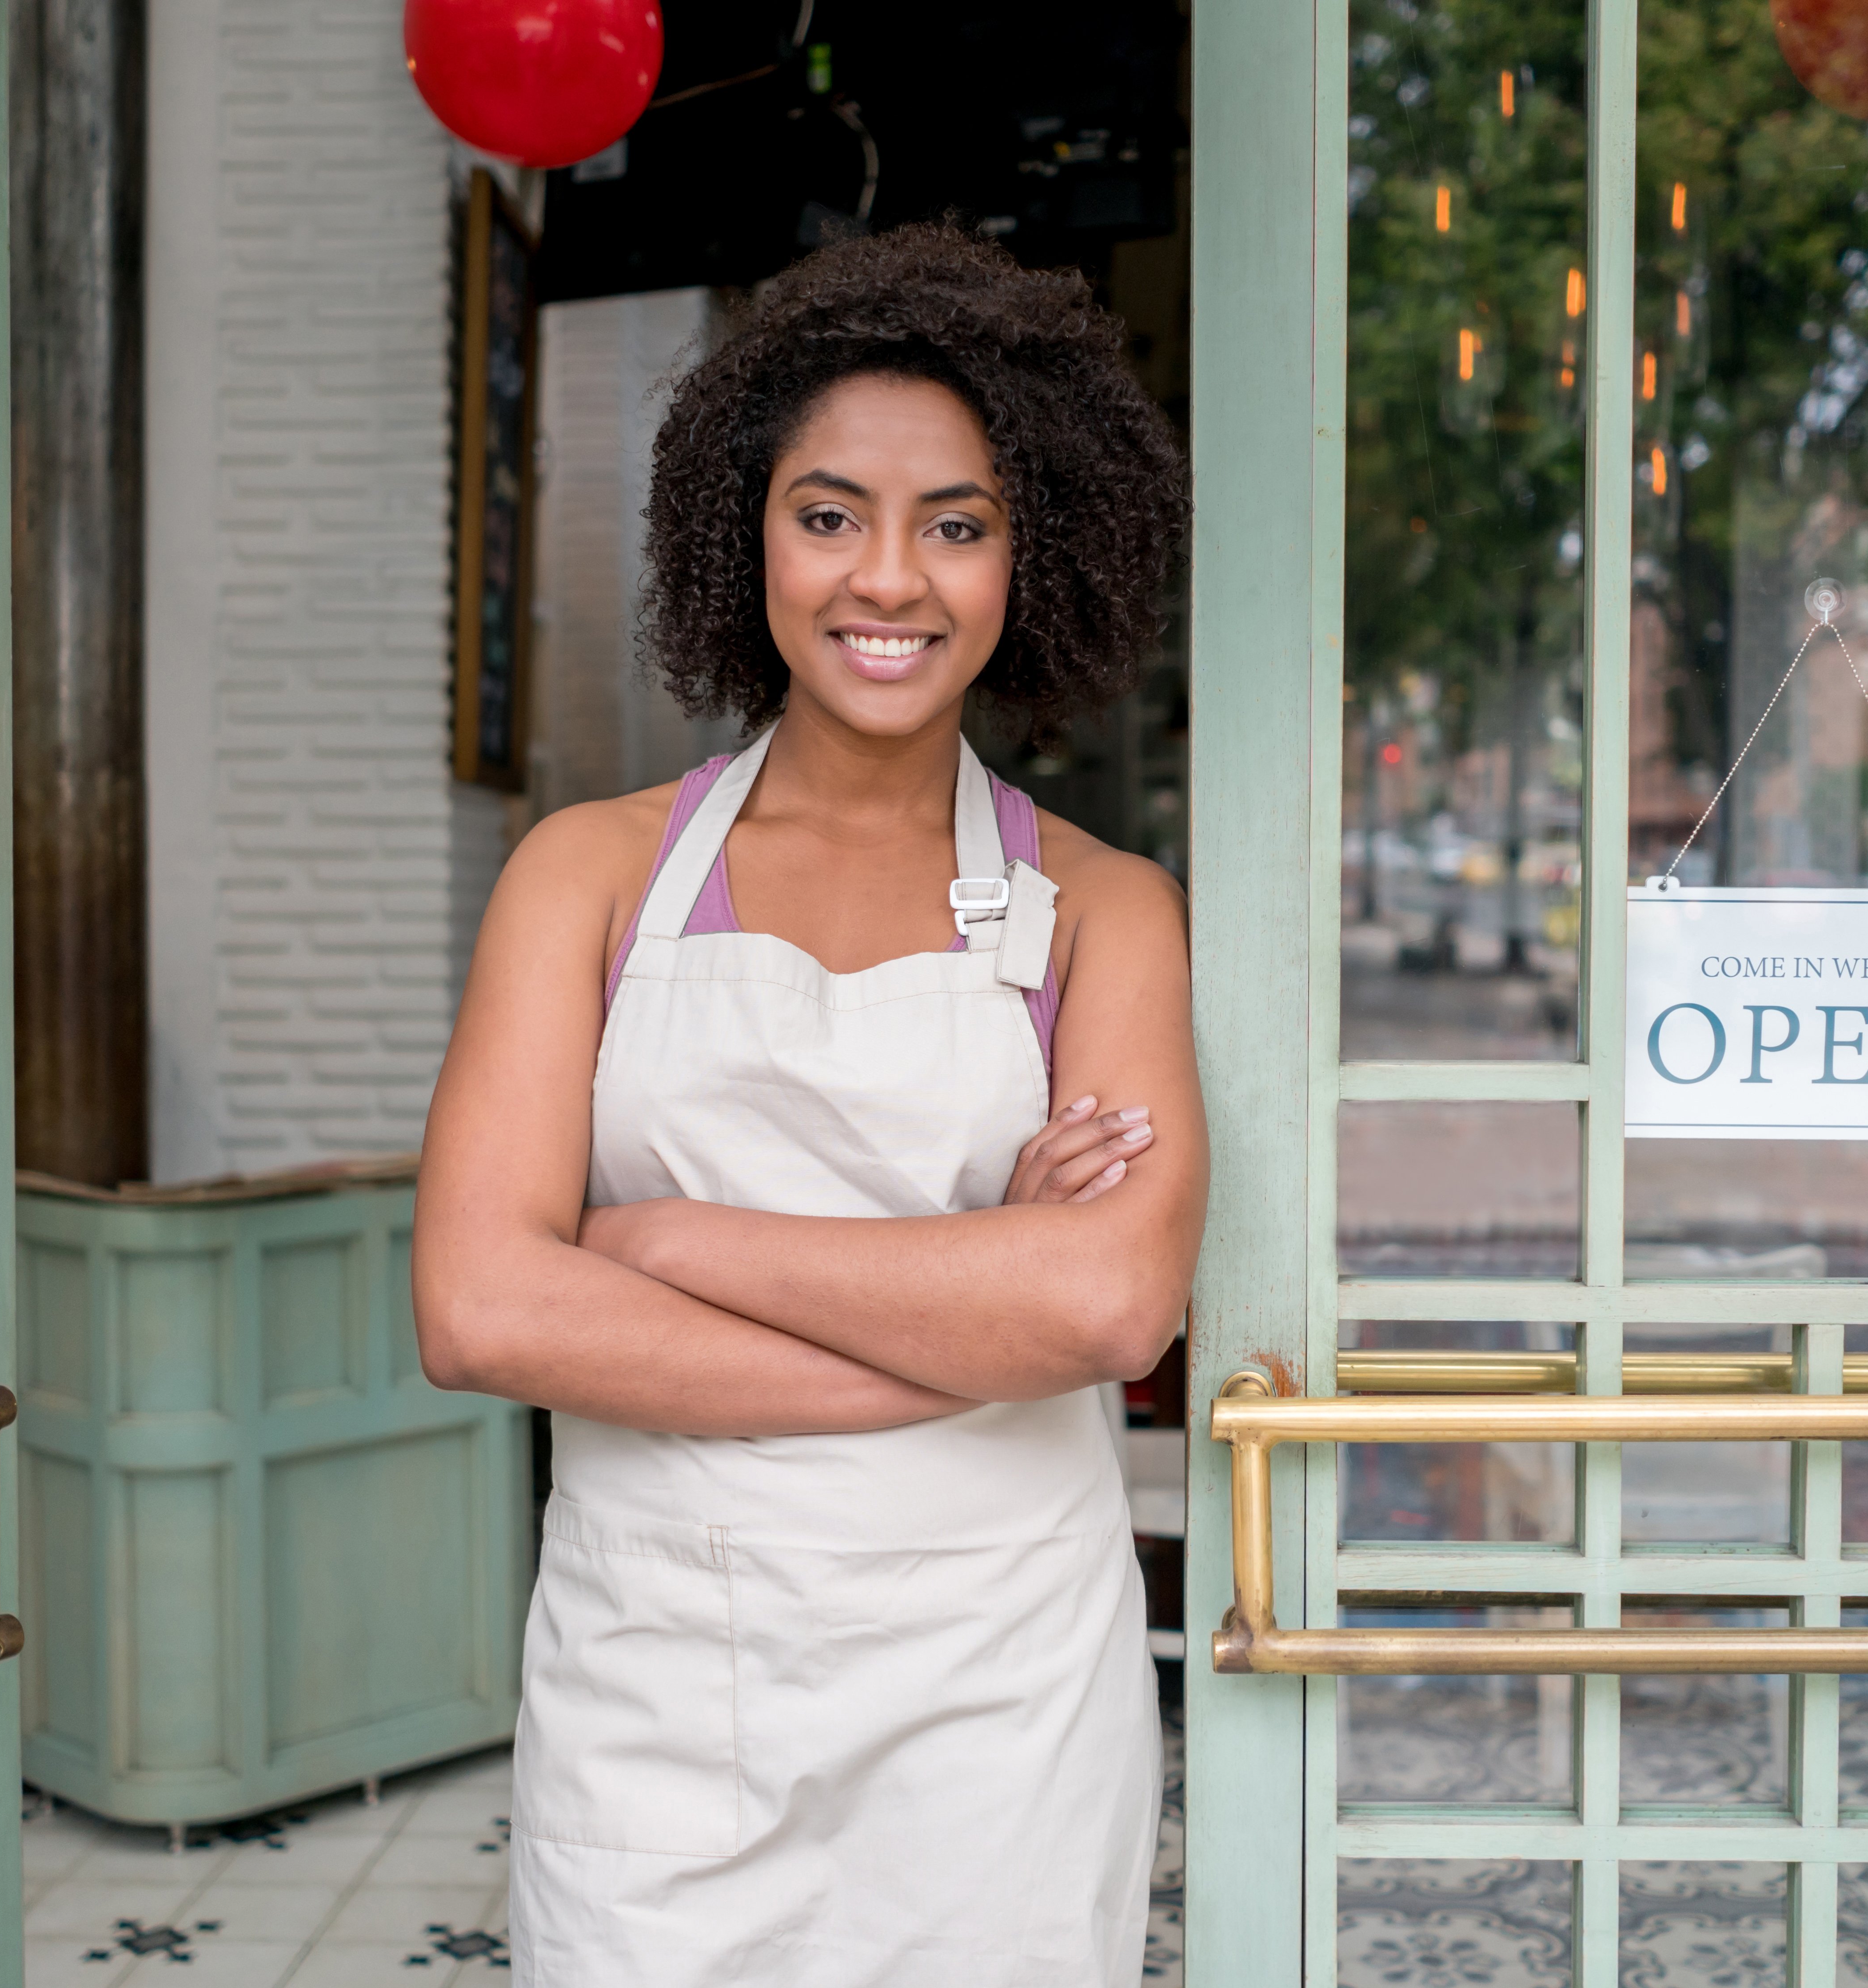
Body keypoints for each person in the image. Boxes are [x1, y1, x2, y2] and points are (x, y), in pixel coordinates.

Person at [410, 223, 1204, 1988]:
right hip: (662, 1679)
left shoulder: (1105, 907)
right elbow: (475, 1310)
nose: (888, 581)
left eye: (959, 523)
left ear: (1029, 554)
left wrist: (657, 1245)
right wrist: (958, 1306)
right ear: (743, 532)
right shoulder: (586, 878)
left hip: (998, 1688)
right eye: (829, 513)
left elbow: (1103, 1303)